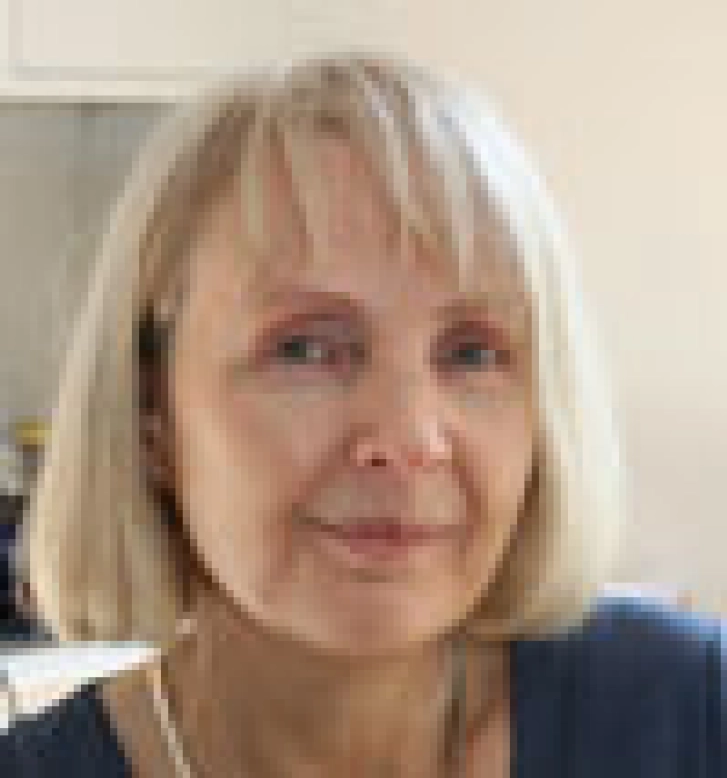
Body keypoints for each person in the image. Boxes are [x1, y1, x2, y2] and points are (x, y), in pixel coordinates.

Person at [1, 52, 723, 777]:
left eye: (472, 353)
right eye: (305, 349)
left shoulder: (690, 711)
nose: (409, 438)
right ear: (148, 413)